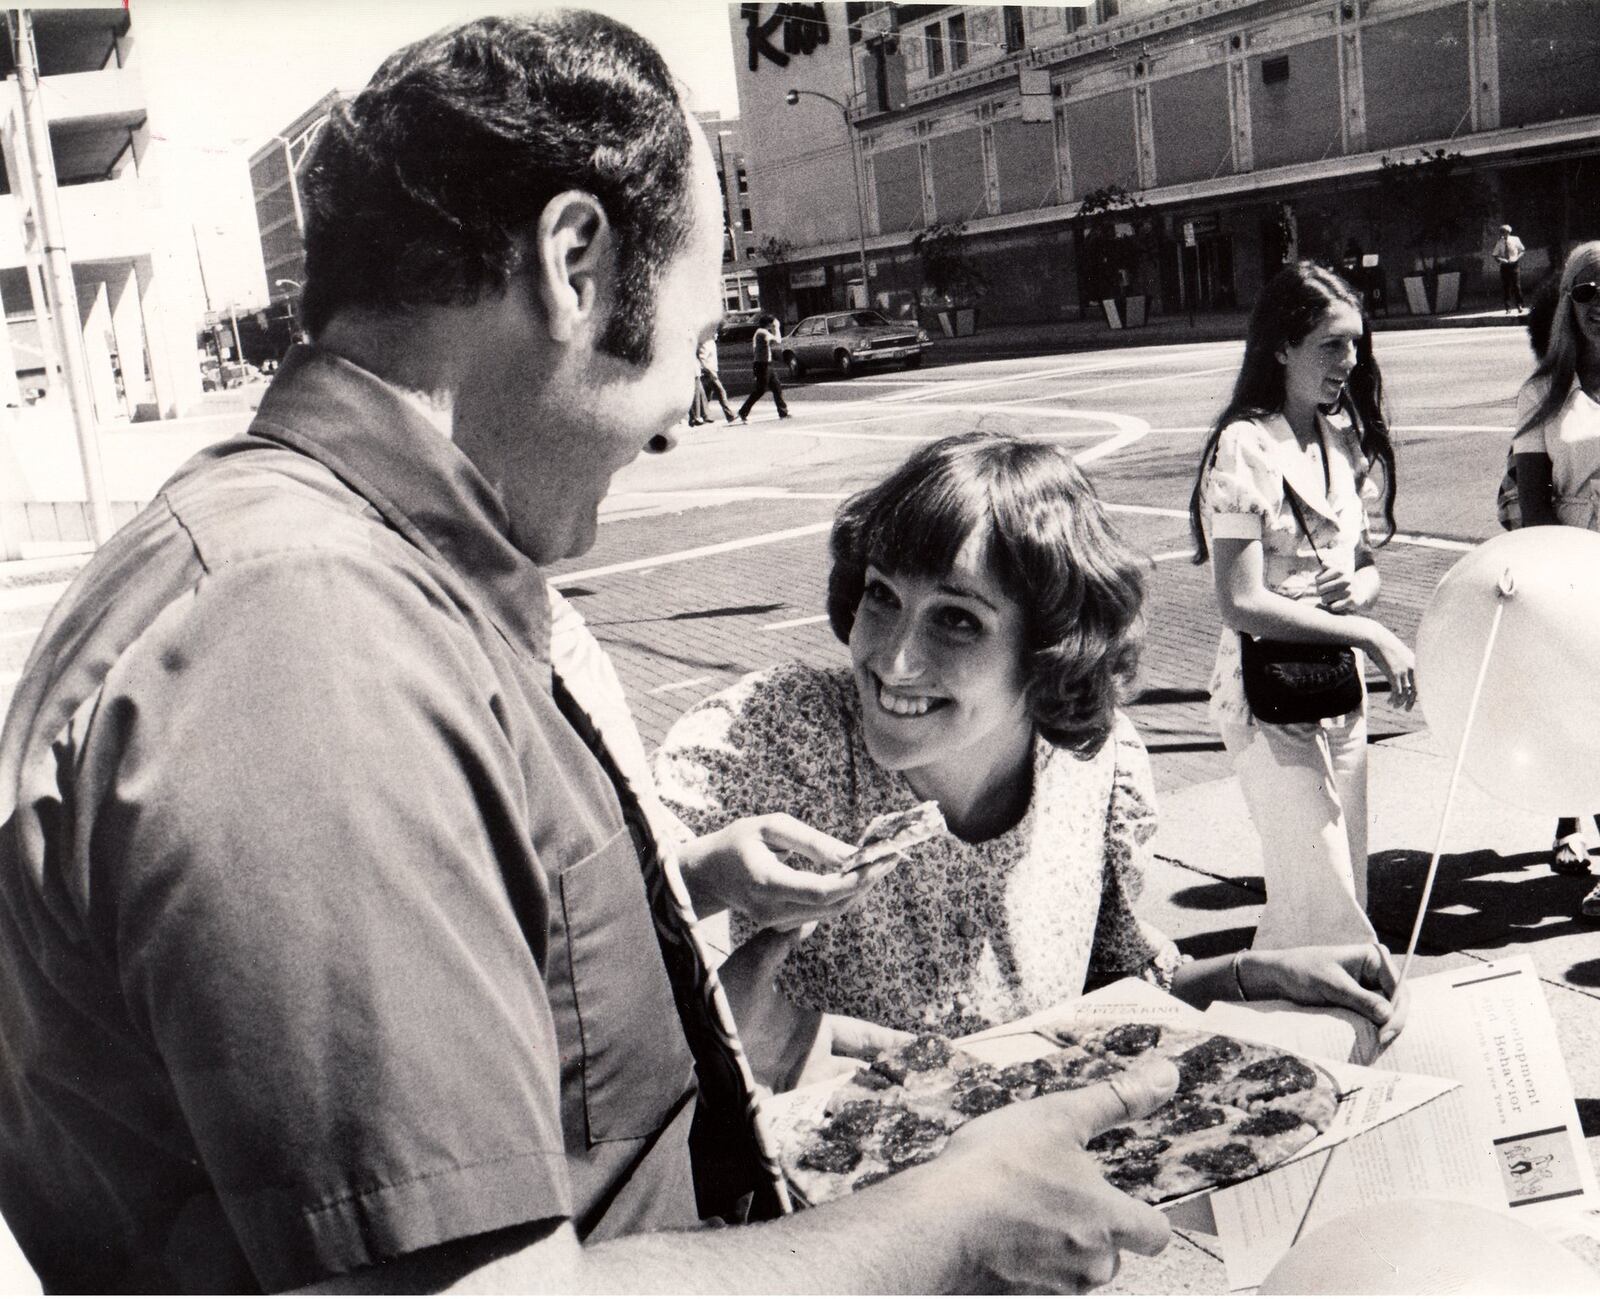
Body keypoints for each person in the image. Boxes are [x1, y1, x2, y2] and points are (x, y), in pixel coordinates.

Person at [0, 14, 1200, 1294]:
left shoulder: (335, 584)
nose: (689, 412)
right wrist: (946, 1225)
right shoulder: (304, 640)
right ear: (575, 262)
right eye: (694, 341)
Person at [656, 432, 1407, 1062]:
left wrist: (1258, 973)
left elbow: (1110, 988)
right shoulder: (778, 733)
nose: (894, 659)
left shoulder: (1096, 765)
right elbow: (567, 918)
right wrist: (705, 874)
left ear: (1050, 650)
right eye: (881, 594)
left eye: (957, 620)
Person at [1188, 261, 1417, 952]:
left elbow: (1365, 563)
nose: (1349, 361)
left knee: (1345, 885)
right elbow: (1240, 599)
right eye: (1331, 344)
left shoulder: (1341, 438)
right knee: (1318, 892)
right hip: (1266, 699)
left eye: (1356, 344)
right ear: (1282, 346)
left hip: (1337, 692)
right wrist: (1370, 631)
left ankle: (1310, 1029)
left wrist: (1363, 593)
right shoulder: (1241, 450)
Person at [1511, 241, 1600, 909]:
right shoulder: (1543, 392)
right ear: (1568, 302)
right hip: (1571, 561)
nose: (1598, 306)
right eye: (1586, 293)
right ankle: (1574, 816)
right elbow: (1534, 498)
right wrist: (1551, 577)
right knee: (1577, 708)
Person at [737, 312, 790, 423]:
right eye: (772, 324)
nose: (773, 325)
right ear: (769, 324)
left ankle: (783, 412)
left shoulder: (762, 332)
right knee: (760, 390)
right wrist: (777, 327)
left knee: (776, 387)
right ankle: (743, 411)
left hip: (766, 364)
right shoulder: (762, 333)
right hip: (762, 365)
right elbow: (778, 341)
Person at [697, 333, 737, 423]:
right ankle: (730, 415)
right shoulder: (707, 343)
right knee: (721, 392)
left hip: (710, 372)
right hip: (709, 374)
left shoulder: (711, 343)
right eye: (715, 332)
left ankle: (701, 416)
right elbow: (702, 359)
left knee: (706, 397)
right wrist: (710, 372)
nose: (717, 334)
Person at [1494, 224, 1527, 314]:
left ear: (1508, 232)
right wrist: (1502, 260)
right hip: (1505, 266)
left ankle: (1519, 305)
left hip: (1514, 264)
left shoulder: (1515, 239)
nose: (1503, 234)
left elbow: (1522, 250)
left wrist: (1516, 258)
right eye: (1502, 232)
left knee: (1516, 285)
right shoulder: (1499, 242)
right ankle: (1508, 308)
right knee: (1506, 287)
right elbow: (1495, 255)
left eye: (1505, 232)